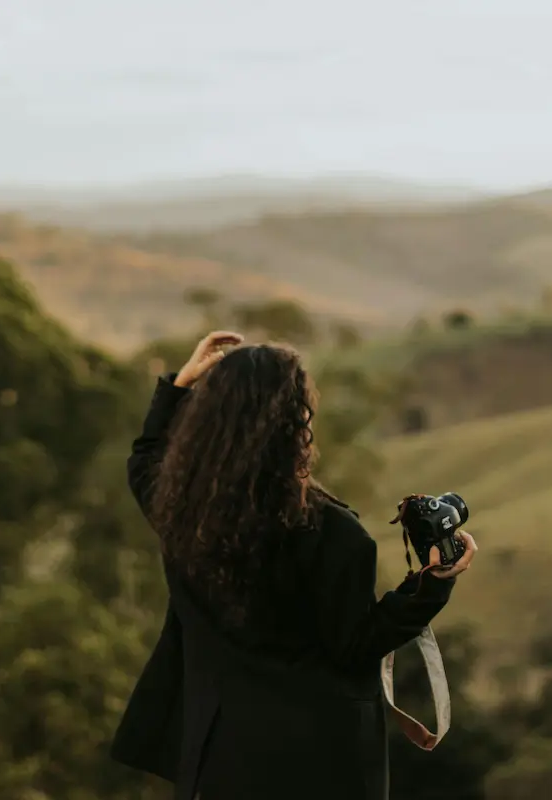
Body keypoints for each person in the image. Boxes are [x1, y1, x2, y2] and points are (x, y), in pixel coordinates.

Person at [110, 331, 476, 800]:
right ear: (294, 423)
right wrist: (433, 583)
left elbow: (145, 460)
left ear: (205, 423)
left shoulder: (184, 515)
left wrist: (178, 389)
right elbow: (356, 645)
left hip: (219, 763)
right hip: (322, 767)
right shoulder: (333, 534)